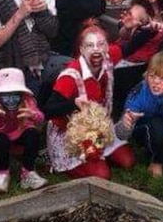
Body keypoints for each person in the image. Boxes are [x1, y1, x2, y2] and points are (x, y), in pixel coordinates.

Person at [44, 22, 136, 179]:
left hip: (98, 127)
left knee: (128, 161)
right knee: (102, 175)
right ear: (81, 50)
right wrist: (73, 104)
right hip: (71, 132)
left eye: (101, 44)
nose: (96, 49)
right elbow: (48, 110)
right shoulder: (70, 76)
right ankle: (66, 162)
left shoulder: (107, 58)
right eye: (90, 45)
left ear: (107, 47)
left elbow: (131, 46)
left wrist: (150, 26)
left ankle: (98, 154)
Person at [0, 67, 47, 193]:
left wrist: (32, 115)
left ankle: (28, 172)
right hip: (0, 133)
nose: (10, 99)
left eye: (15, 94)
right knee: (0, 139)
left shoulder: (27, 101)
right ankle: (2, 173)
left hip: (20, 131)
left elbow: (41, 118)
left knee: (33, 134)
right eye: (6, 95)